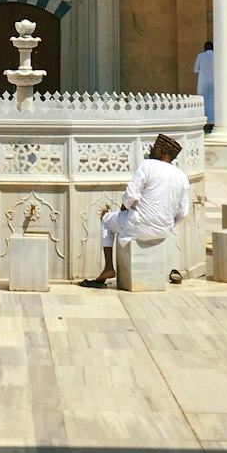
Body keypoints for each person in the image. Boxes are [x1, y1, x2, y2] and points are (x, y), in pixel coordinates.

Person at [80, 133, 190, 287]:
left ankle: (109, 267)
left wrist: (125, 207)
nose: (152, 151)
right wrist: (165, 223)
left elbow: (130, 196)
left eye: (156, 148)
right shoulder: (182, 177)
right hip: (163, 230)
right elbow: (182, 212)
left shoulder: (148, 165)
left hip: (137, 226)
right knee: (126, 219)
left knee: (107, 219)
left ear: (163, 152)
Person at [193, 40, 214, 132]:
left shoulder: (200, 56)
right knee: (214, 102)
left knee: (204, 102)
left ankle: (204, 122)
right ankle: (213, 122)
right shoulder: (216, 56)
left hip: (203, 82)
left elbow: (195, 70)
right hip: (214, 82)